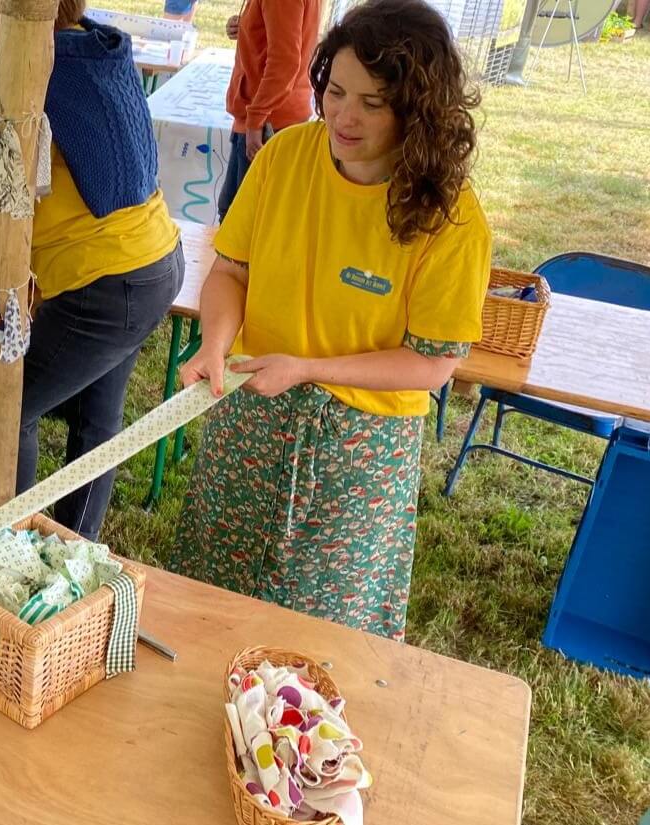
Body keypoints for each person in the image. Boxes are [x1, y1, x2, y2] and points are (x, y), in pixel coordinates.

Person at [166, 0, 491, 641]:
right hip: (252, 409)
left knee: (322, 630)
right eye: (336, 92)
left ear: (418, 111)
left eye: (373, 103)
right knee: (211, 600)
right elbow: (231, 270)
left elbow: (432, 363)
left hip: (358, 448)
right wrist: (215, 343)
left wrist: (309, 369)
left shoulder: (449, 219)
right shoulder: (285, 157)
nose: (344, 116)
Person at [0, 0, 183, 541]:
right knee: (97, 422)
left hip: (107, 284)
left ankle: (9, 542)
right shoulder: (87, 49)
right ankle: (75, 548)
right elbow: (23, 193)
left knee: (11, 403)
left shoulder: (36, 73)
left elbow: (5, 201)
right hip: (153, 260)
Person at [219, 0, 322, 220]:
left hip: (269, 121)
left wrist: (256, 118)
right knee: (240, 215)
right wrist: (247, 26)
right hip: (273, 115)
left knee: (241, 220)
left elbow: (284, 62)